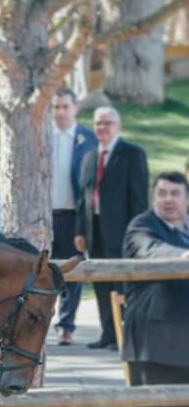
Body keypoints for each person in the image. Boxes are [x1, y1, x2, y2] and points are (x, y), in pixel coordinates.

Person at [122, 171, 189, 407]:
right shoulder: (142, 226)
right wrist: (183, 258)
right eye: (161, 193)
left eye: (175, 193)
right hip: (153, 342)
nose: (167, 199)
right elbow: (150, 250)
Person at [75, 106, 149, 350]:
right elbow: (82, 199)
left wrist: (136, 235)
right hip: (94, 232)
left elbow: (139, 200)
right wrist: (80, 231)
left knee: (123, 286)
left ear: (117, 126)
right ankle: (108, 333)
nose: (102, 128)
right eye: (98, 123)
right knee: (101, 284)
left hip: (122, 234)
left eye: (107, 123)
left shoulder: (132, 154)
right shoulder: (89, 157)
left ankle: (126, 335)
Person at [50, 86, 97, 346]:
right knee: (43, 271)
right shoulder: (41, 136)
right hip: (44, 216)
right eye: (56, 107)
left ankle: (66, 325)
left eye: (65, 106)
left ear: (75, 109)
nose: (60, 112)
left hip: (73, 216)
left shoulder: (87, 139)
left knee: (71, 271)